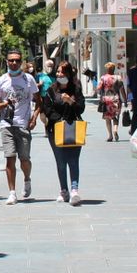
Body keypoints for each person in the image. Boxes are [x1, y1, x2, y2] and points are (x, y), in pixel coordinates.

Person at [0, 49, 40, 204]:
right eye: (11, 60)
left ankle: (27, 179)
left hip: (23, 124)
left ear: (21, 62)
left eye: (17, 60)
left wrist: (34, 118)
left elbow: (39, 101)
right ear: (7, 61)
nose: (14, 63)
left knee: (24, 159)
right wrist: (4, 104)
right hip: (7, 124)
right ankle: (12, 192)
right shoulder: (1, 81)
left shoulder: (28, 79)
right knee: (10, 158)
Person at [40, 59, 87, 205]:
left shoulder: (76, 89)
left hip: (73, 128)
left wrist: (70, 101)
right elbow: (47, 109)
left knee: (73, 160)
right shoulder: (51, 91)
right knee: (60, 162)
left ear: (69, 74)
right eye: (58, 71)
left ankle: (74, 190)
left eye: (63, 71)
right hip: (56, 129)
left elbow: (81, 108)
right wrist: (59, 120)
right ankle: (63, 190)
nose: (60, 74)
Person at [98, 62, 124, 142]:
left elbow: (98, 88)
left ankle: (110, 136)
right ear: (114, 69)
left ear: (107, 69)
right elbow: (122, 90)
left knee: (107, 118)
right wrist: (125, 100)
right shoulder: (118, 77)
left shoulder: (103, 78)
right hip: (116, 99)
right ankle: (115, 130)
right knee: (115, 117)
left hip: (106, 100)